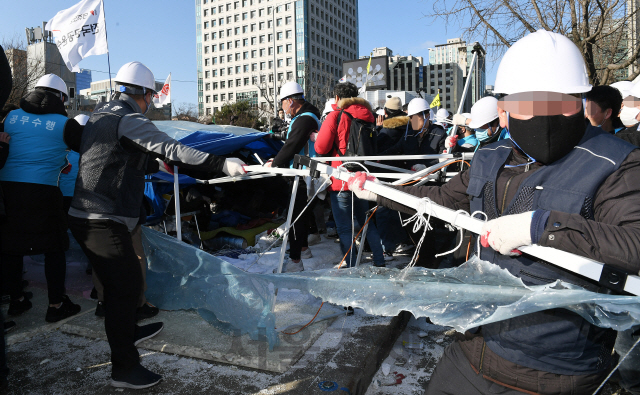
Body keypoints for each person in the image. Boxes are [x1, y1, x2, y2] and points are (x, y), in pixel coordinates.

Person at [349, 30, 640, 395]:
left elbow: (634, 245)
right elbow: (441, 197)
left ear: (580, 102)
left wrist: (541, 226)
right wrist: (378, 191)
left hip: (555, 370)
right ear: (503, 110)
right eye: (525, 103)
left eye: (558, 102)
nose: (541, 116)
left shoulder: (616, 163)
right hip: (476, 345)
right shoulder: (491, 158)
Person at [68, 61, 246, 389]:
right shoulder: (129, 117)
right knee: (123, 289)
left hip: (92, 214)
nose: (150, 103)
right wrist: (222, 163)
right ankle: (124, 367)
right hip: (101, 218)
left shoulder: (101, 112)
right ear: (145, 94)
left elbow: (116, 154)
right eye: (150, 97)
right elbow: (172, 148)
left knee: (127, 285)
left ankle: (128, 330)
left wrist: (153, 160)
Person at [0, 74, 83, 322]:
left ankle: (17, 301)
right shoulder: (65, 124)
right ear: (60, 98)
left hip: (7, 191)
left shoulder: (9, 117)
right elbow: (90, 149)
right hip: (44, 192)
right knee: (54, 248)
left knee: (10, 247)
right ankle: (56, 305)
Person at [314, 82, 386, 268]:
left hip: (341, 178)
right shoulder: (369, 116)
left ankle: (352, 266)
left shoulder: (336, 115)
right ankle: (379, 261)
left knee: (345, 228)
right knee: (366, 223)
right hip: (363, 177)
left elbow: (320, 147)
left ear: (337, 98)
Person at [265, 82, 320, 272]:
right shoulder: (306, 117)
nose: (282, 108)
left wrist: (274, 164)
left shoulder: (305, 119)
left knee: (295, 217)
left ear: (290, 101)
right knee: (301, 215)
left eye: (282, 103)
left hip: (304, 175)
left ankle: (295, 261)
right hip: (304, 172)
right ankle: (303, 249)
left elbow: (291, 145)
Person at [378, 98, 446, 171]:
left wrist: (426, 166)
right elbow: (394, 150)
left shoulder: (440, 134)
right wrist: (378, 158)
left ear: (427, 116)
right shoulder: (408, 135)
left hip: (432, 180)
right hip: (410, 178)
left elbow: (444, 159)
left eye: (416, 116)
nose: (413, 120)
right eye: (411, 117)